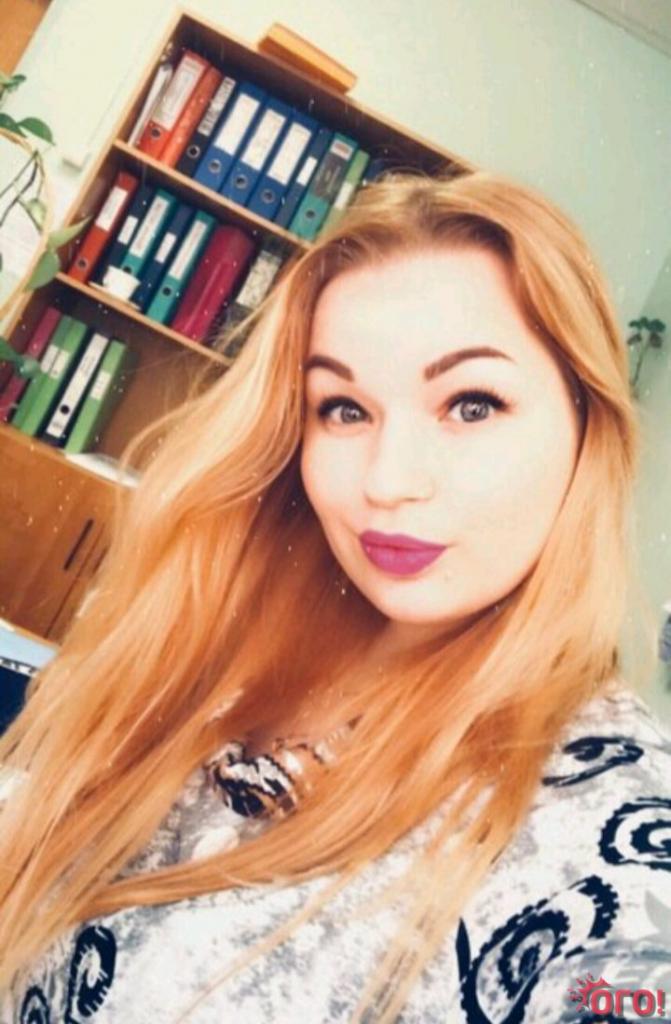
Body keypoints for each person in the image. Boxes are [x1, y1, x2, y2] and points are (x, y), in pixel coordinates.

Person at [0, 167, 669, 1024]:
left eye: (471, 404)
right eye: (343, 409)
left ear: (586, 428)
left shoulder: (611, 836)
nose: (385, 482)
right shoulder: (224, 643)